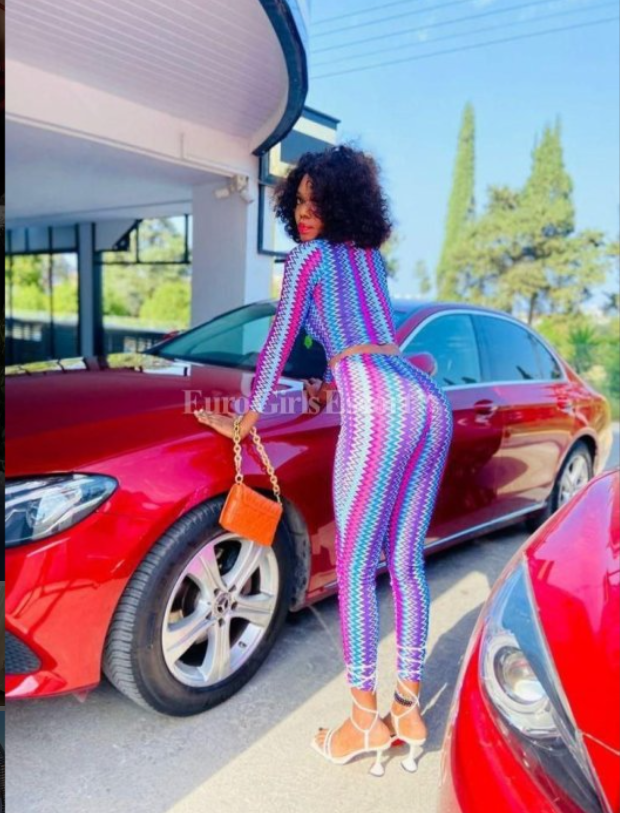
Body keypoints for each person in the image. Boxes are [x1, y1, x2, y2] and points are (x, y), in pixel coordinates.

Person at [195, 144, 453, 776]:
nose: (306, 213)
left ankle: (364, 720)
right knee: (406, 562)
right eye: (300, 201)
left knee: (356, 567)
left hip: (379, 406)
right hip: (426, 400)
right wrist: (333, 382)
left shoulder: (307, 259)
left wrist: (248, 415)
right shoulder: (370, 258)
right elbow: (368, 340)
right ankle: (408, 710)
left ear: (342, 203)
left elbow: (281, 337)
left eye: (318, 202)